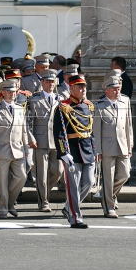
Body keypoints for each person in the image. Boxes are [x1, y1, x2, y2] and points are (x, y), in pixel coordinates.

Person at [53, 74, 96, 229]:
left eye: (84, 86)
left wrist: (94, 149)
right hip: (72, 151)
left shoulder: (88, 105)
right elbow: (58, 132)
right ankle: (75, 217)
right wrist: (64, 152)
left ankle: (67, 207)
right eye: (80, 87)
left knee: (89, 182)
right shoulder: (63, 107)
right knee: (73, 185)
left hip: (87, 149)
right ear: (71, 88)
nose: (83, 89)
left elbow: (91, 131)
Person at [93, 76, 133, 218]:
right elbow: (96, 130)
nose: (117, 91)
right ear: (107, 91)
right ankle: (109, 207)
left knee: (125, 174)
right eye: (114, 89)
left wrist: (130, 144)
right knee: (108, 178)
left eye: (118, 89)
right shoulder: (99, 105)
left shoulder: (125, 101)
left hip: (122, 145)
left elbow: (129, 124)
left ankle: (108, 194)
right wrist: (97, 150)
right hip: (106, 147)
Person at [0, 79, 28, 219]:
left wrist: (26, 147)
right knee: (2, 183)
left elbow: (24, 130)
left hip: (18, 149)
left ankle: (9, 203)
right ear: (2, 92)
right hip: (2, 150)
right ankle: (2, 208)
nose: (12, 94)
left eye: (14, 92)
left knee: (22, 176)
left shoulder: (19, 108)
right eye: (9, 92)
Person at [26, 69, 63, 212]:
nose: (50, 84)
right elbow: (28, 121)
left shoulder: (60, 100)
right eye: (47, 81)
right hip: (39, 141)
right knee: (41, 173)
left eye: (52, 81)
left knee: (58, 171)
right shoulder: (34, 99)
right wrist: (30, 138)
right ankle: (44, 202)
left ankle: (44, 192)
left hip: (56, 141)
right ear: (42, 82)